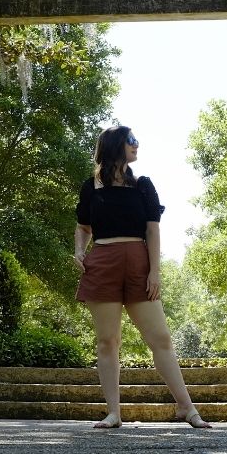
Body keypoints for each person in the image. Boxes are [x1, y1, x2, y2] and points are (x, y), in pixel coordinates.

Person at [74, 125, 210, 429]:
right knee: (108, 341)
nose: (137, 145)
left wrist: (155, 271)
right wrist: (80, 251)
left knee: (160, 338)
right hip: (103, 263)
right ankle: (113, 413)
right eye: (131, 141)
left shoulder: (143, 186)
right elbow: (83, 227)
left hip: (138, 263)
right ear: (115, 146)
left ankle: (186, 408)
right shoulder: (90, 187)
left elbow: (152, 229)